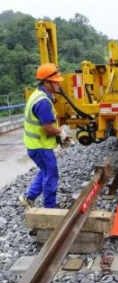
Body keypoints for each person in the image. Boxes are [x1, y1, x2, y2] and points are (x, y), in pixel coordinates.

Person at [18, 63, 68, 209]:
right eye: (56, 81)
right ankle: (50, 208)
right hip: (41, 147)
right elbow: (48, 128)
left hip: (34, 145)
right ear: (46, 82)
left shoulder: (37, 95)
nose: (59, 84)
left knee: (45, 171)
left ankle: (28, 197)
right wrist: (61, 133)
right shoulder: (43, 102)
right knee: (51, 175)